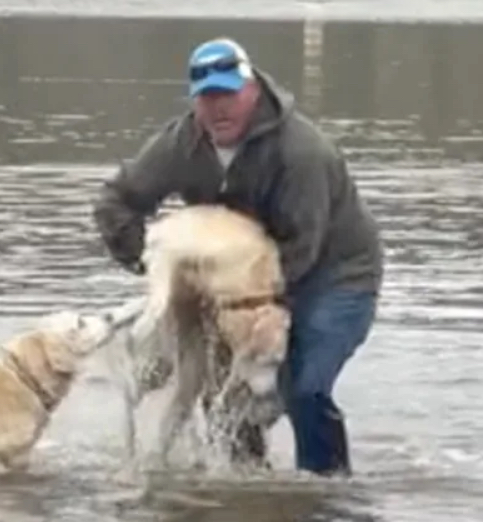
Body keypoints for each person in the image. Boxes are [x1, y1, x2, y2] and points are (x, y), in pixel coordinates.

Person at [92, 37, 383, 477]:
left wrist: (236, 302)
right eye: (207, 98)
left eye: (228, 94)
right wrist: (154, 268)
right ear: (194, 102)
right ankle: (244, 483)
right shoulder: (182, 144)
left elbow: (302, 248)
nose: (218, 109)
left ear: (252, 90)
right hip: (233, 278)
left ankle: (327, 489)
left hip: (334, 275)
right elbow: (117, 201)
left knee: (303, 387)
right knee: (220, 388)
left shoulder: (301, 152)